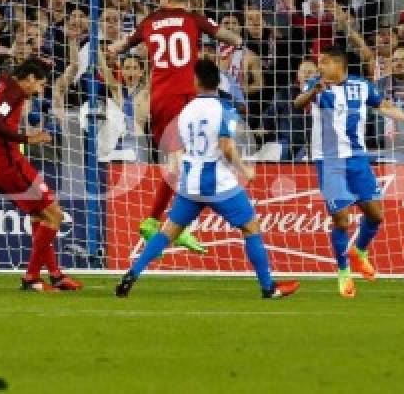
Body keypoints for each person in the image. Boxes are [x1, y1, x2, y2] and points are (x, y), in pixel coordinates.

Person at [116, 59, 300, 300]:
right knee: (250, 227)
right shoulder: (225, 109)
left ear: (196, 82)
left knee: (168, 231)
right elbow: (225, 147)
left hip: (190, 181)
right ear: (218, 82)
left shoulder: (185, 112)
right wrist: (245, 169)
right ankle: (268, 287)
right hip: (217, 182)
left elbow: (179, 147)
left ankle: (132, 273)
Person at [108, 0, 245, 253]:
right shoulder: (195, 19)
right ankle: (161, 222)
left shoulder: (150, 21)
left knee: (180, 163)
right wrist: (233, 42)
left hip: (160, 98)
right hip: (186, 98)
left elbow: (120, 47)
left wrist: (111, 47)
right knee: (184, 163)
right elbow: (233, 38)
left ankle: (166, 223)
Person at [293, 46, 404, 298]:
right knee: (342, 219)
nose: (320, 67)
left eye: (324, 63)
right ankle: (344, 272)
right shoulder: (317, 86)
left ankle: (359, 251)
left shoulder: (361, 86)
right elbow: (297, 104)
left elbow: (382, 105)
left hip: (357, 159)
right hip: (329, 161)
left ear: (338, 64)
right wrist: (313, 91)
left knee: (376, 214)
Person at [0, 58, 81, 291]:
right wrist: (28, 138)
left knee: (41, 217)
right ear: (30, 79)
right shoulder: (13, 93)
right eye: (40, 84)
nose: (40, 90)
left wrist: (42, 62)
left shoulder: (0, 84)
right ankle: (32, 277)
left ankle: (55, 275)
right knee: (54, 215)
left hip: (5, 163)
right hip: (9, 166)